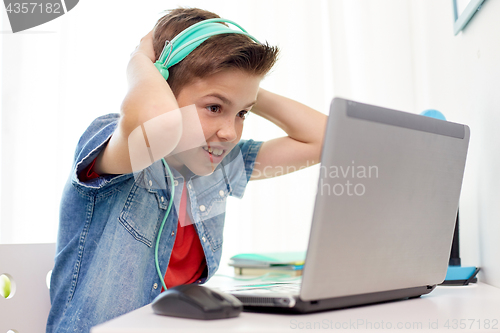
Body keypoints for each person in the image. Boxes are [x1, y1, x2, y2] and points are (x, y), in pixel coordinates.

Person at [47, 7, 327, 333]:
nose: (230, 133)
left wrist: (242, 89)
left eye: (242, 114)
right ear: (161, 87)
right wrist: (141, 59)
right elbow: (157, 120)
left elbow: (322, 138)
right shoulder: (120, 146)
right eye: (214, 107)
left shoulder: (219, 166)